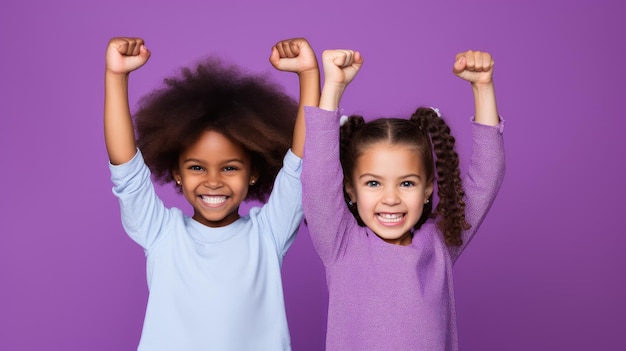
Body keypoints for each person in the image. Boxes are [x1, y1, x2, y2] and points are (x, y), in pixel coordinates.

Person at [104, 37, 319, 350]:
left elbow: (300, 165)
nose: (213, 181)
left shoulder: (268, 232)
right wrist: (116, 77)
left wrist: (308, 74)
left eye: (230, 168)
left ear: (253, 172)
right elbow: (126, 169)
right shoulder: (162, 233)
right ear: (176, 173)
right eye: (197, 168)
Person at [301, 49, 505, 350]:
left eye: (407, 183)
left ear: (427, 190)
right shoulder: (341, 244)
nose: (391, 198)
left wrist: (482, 87)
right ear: (350, 190)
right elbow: (317, 176)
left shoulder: (440, 244)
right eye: (373, 183)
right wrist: (333, 88)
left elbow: (487, 175)